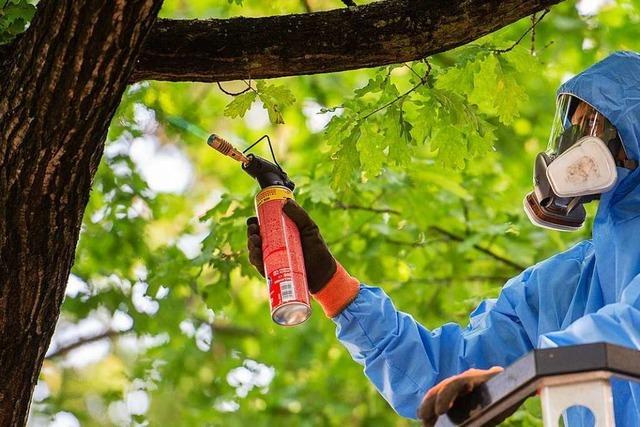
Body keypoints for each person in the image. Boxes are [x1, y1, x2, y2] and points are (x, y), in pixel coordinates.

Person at [247, 51, 640, 426]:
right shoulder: (564, 286)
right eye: (571, 128)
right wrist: (332, 285)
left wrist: (533, 371)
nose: (573, 147)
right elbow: (441, 373)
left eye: (593, 126)